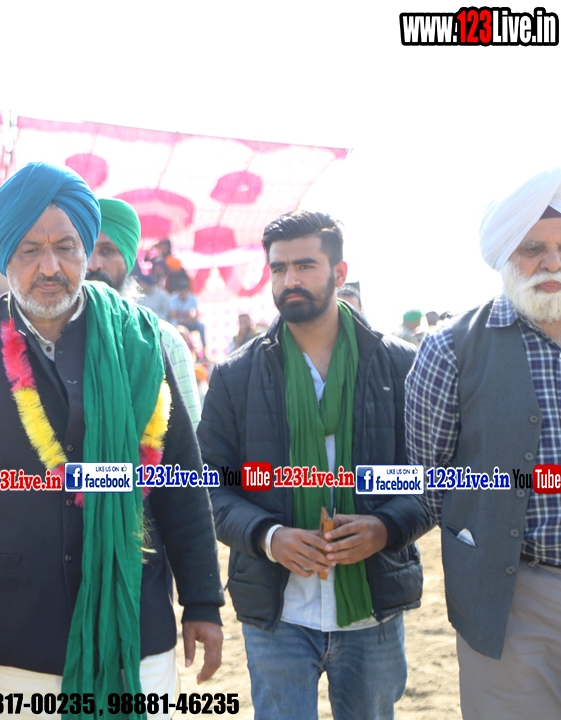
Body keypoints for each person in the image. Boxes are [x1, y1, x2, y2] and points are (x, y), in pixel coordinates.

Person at [0, 162, 224, 719]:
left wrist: (202, 600)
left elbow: (180, 483)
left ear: (85, 251)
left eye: (66, 247)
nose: (50, 267)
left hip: (132, 632)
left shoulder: (141, 344)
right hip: (1, 643)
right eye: (30, 250)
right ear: (5, 257)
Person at [198, 210, 428, 720]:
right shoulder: (235, 376)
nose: (290, 280)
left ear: (339, 273)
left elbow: (435, 480)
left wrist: (386, 528)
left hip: (372, 608)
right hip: (276, 611)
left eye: (305, 265)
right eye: (279, 268)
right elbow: (209, 486)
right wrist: (268, 536)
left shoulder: (401, 366)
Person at [405, 167, 561, 719]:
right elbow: (430, 480)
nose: (551, 263)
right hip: (512, 594)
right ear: (504, 254)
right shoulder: (452, 348)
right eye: (533, 248)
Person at [86, 197, 203, 431]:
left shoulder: (165, 341)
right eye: (85, 250)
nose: (93, 264)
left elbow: (192, 438)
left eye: (107, 251)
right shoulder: (55, 340)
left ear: (128, 260)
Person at [168, 279, 206, 348]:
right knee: (173, 323)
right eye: (181, 291)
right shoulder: (173, 299)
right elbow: (173, 316)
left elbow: (197, 315)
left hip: (190, 322)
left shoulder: (193, 298)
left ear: (187, 291)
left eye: (184, 291)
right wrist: (183, 320)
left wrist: (192, 319)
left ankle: (204, 347)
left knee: (201, 325)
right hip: (179, 323)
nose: (182, 293)